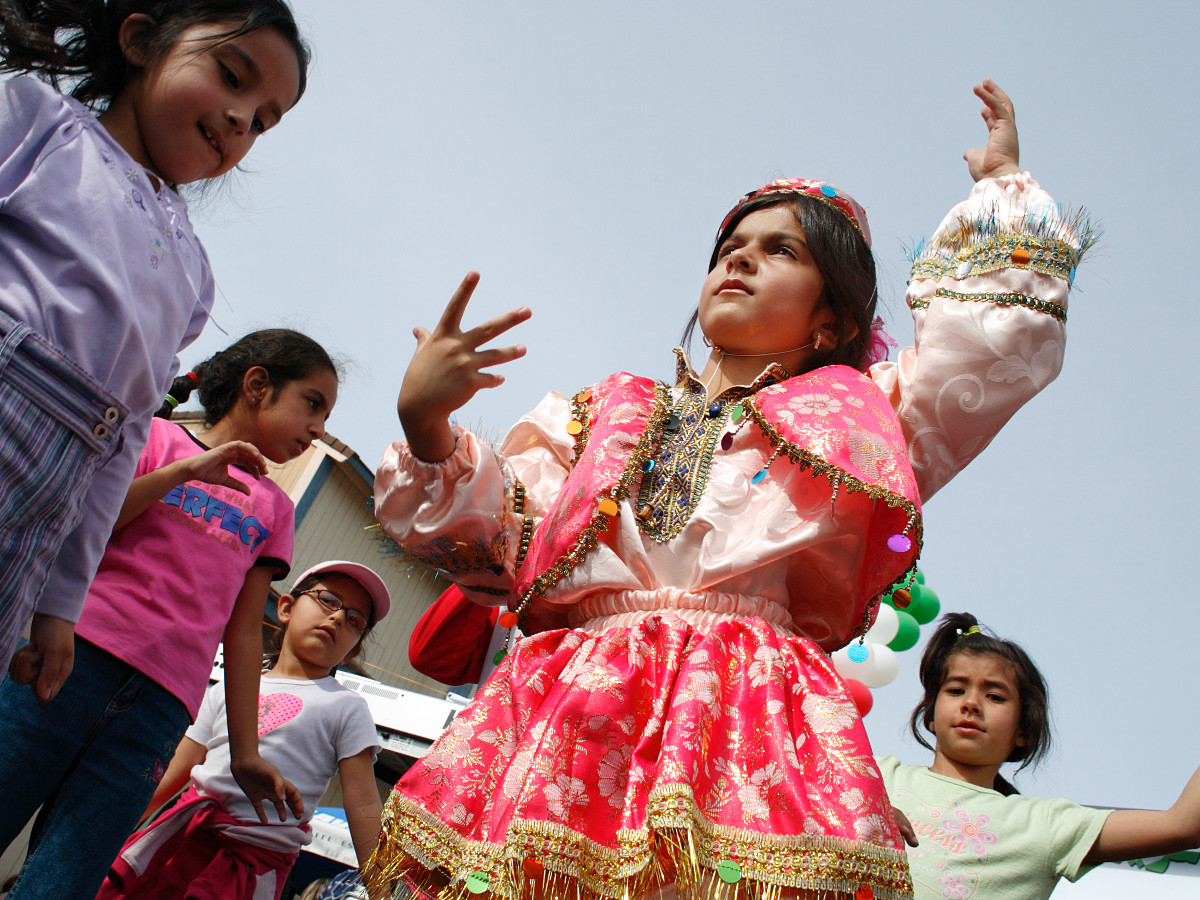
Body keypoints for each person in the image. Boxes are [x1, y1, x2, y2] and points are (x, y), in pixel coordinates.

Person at [370, 81, 1095, 900]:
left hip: (746, 716)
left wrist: (1002, 188)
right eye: (730, 247)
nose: (741, 258)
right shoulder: (599, 411)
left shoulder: (860, 416)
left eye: (783, 250)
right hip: (575, 704)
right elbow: (502, 540)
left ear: (830, 322)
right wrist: (427, 421)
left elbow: (993, 349)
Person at [0, 0, 310, 704]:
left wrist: (57, 606)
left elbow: (124, 436)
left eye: (263, 120)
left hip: (52, 493)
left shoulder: (192, 271)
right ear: (141, 42)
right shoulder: (40, 123)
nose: (241, 120)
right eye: (232, 77)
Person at [0, 329, 338, 900]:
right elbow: (87, 529)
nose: (319, 428)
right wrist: (184, 472)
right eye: (312, 403)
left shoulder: (276, 508)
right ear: (258, 386)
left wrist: (246, 752)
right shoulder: (154, 440)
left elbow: (243, 629)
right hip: (70, 660)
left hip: (158, 713)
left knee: (65, 880)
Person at [95, 560, 390, 900]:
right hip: (179, 841)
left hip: (251, 865)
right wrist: (114, 830)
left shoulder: (347, 707)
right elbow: (177, 770)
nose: (338, 616)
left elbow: (364, 803)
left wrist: (380, 887)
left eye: (355, 619)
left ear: (352, 650)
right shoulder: (230, 686)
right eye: (328, 600)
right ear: (286, 607)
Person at [880, 613, 1200, 900]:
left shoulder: (1044, 825)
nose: (971, 704)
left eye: (994, 696)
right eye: (955, 690)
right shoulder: (874, 774)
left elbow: (1183, 825)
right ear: (931, 715)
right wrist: (858, 812)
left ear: (1023, 731)